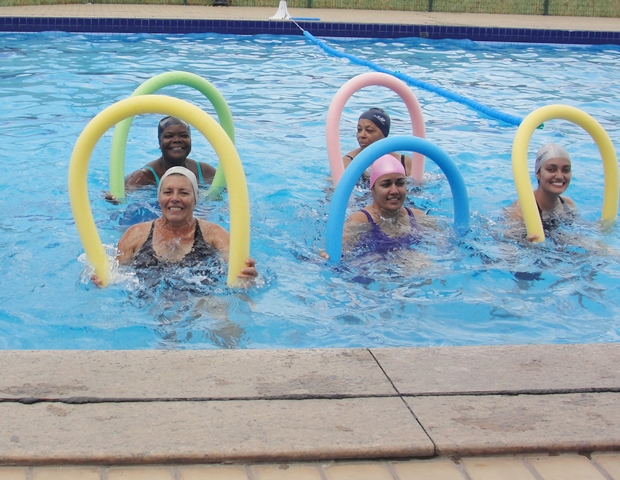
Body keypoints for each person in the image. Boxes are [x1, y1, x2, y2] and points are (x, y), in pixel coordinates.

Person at [93, 166, 257, 286]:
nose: (175, 198)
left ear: (195, 199)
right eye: (168, 192)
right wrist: (104, 279)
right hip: (147, 303)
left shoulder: (214, 234)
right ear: (159, 198)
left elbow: (236, 273)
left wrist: (247, 278)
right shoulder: (136, 234)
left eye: (184, 193)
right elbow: (117, 276)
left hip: (201, 302)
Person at [342, 154, 428, 253]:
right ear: (373, 189)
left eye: (400, 183)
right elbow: (339, 252)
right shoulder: (359, 221)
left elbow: (441, 247)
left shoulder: (418, 218)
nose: (394, 191)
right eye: (386, 185)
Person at [506, 143, 576, 242]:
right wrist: (525, 243)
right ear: (538, 173)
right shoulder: (522, 210)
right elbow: (506, 244)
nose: (560, 176)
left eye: (566, 170)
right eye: (551, 170)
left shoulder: (568, 204)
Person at [125, 116, 217, 190]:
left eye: (184, 135)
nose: (177, 140)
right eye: (169, 136)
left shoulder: (205, 172)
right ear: (159, 142)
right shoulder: (143, 178)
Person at [343, 108, 413, 178]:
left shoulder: (404, 162)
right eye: (359, 130)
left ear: (384, 134)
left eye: (369, 130)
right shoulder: (348, 162)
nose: (361, 135)